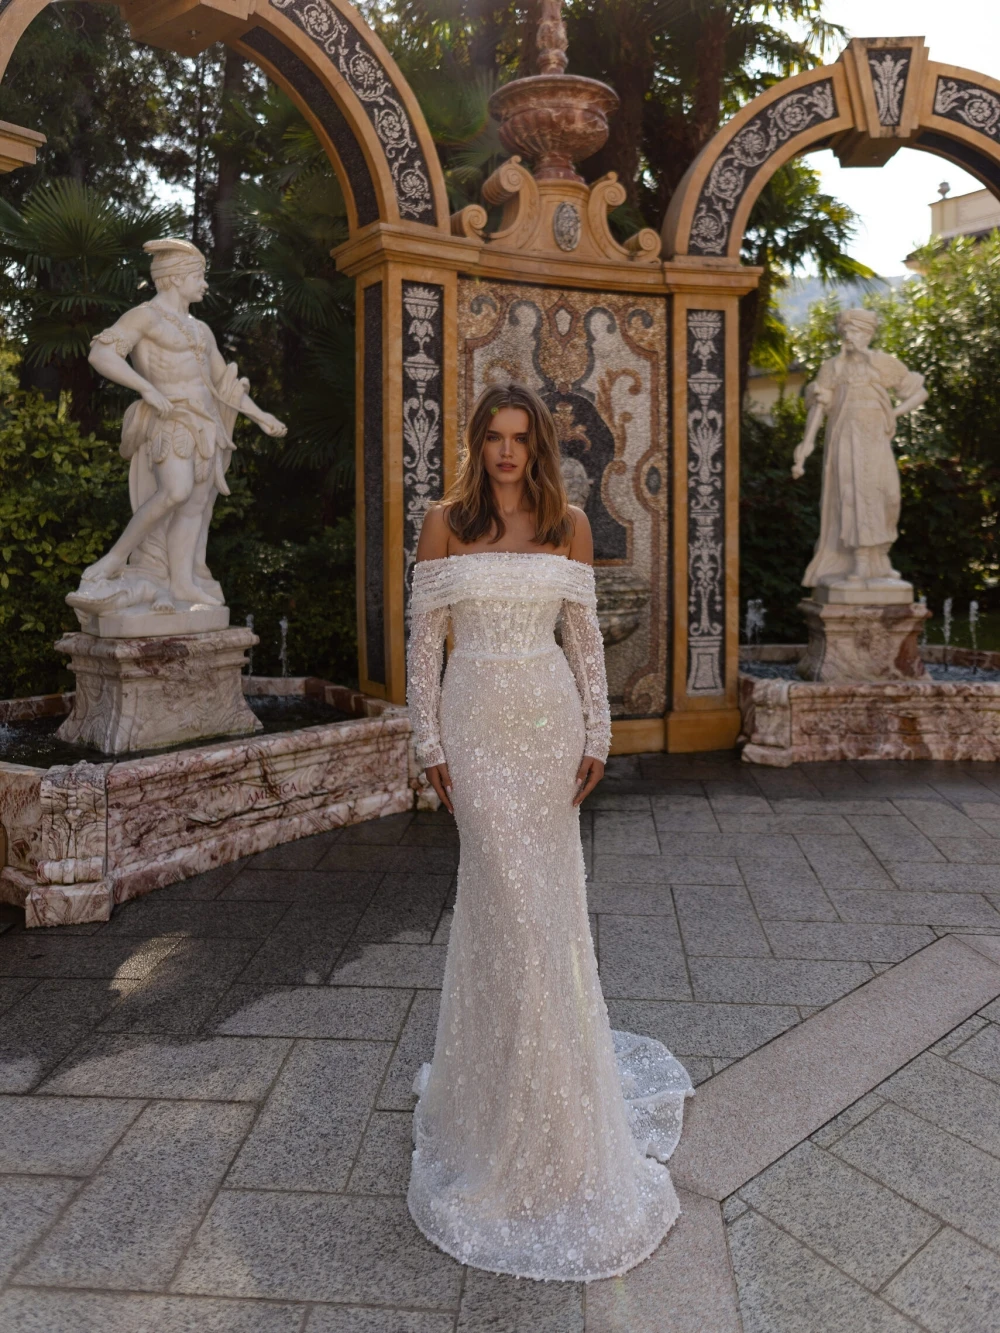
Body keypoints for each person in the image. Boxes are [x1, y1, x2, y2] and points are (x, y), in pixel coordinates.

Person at [405, 382, 692, 1282]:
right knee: (508, 904)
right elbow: (425, 646)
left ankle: (559, 1111)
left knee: (545, 911)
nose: (505, 451)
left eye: (519, 437)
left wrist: (599, 734)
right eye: (493, 435)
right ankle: (499, 1106)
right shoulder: (442, 523)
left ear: (538, 447)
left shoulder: (569, 526)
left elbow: (585, 638)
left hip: (547, 720)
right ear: (475, 443)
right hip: (475, 724)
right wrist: (427, 740)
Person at [67, 238, 286, 621]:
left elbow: (223, 384)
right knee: (176, 491)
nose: (204, 284)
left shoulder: (201, 330)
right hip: (171, 421)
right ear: (175, 277)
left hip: (206, 426)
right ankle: (114, 559)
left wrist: (259, 415)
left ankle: (183, 582)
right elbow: (101, 354)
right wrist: (146, 388)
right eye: (198, 276)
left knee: (195, 505)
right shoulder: (145, 317)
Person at [792, 307, 927, 591]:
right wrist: (807, 442)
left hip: (876, 439)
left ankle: (881, 557)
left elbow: (919, 392)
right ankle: (861, 559)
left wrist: (893, 414)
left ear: (867, 334)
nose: (848, 336)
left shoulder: (883, 363)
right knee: (854, 495)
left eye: (854, 331)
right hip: (845, 438)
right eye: (845, 331)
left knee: (887, 495)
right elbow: (819, 406)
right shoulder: (833, 367)